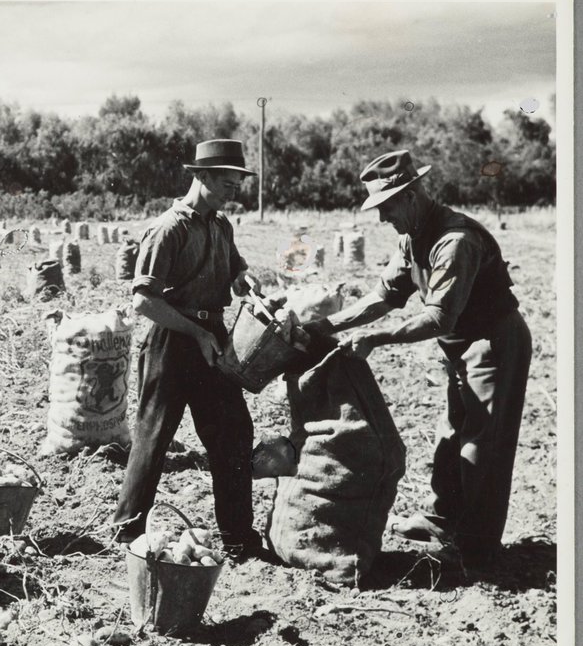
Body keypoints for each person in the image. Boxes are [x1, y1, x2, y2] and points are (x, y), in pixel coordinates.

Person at [305, 149, 533, 570]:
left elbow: (439, 317)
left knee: (482, 445)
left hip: (493, 344)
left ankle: (477, 549)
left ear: (410, 196)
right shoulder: (412, 236)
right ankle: (442, 521)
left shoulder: (455, 241)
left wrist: (377, 338)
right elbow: (383, 296)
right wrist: (326, 325)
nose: (381, 218)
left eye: (386, 207)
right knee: (451, 435)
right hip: (459, 346)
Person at [111, 139, 264, 561]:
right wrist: (195, 333)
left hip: (212, 337)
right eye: (228, 183)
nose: (233, 192)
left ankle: (238, 537)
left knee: (233, 434)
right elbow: (144, 301)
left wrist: (244, 282)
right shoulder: (168, 228)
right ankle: (127, 533)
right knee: (154, 435)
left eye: (237, 185)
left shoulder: (220, 225)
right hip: (172, 339)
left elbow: (236, 272)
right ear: (202, 176)